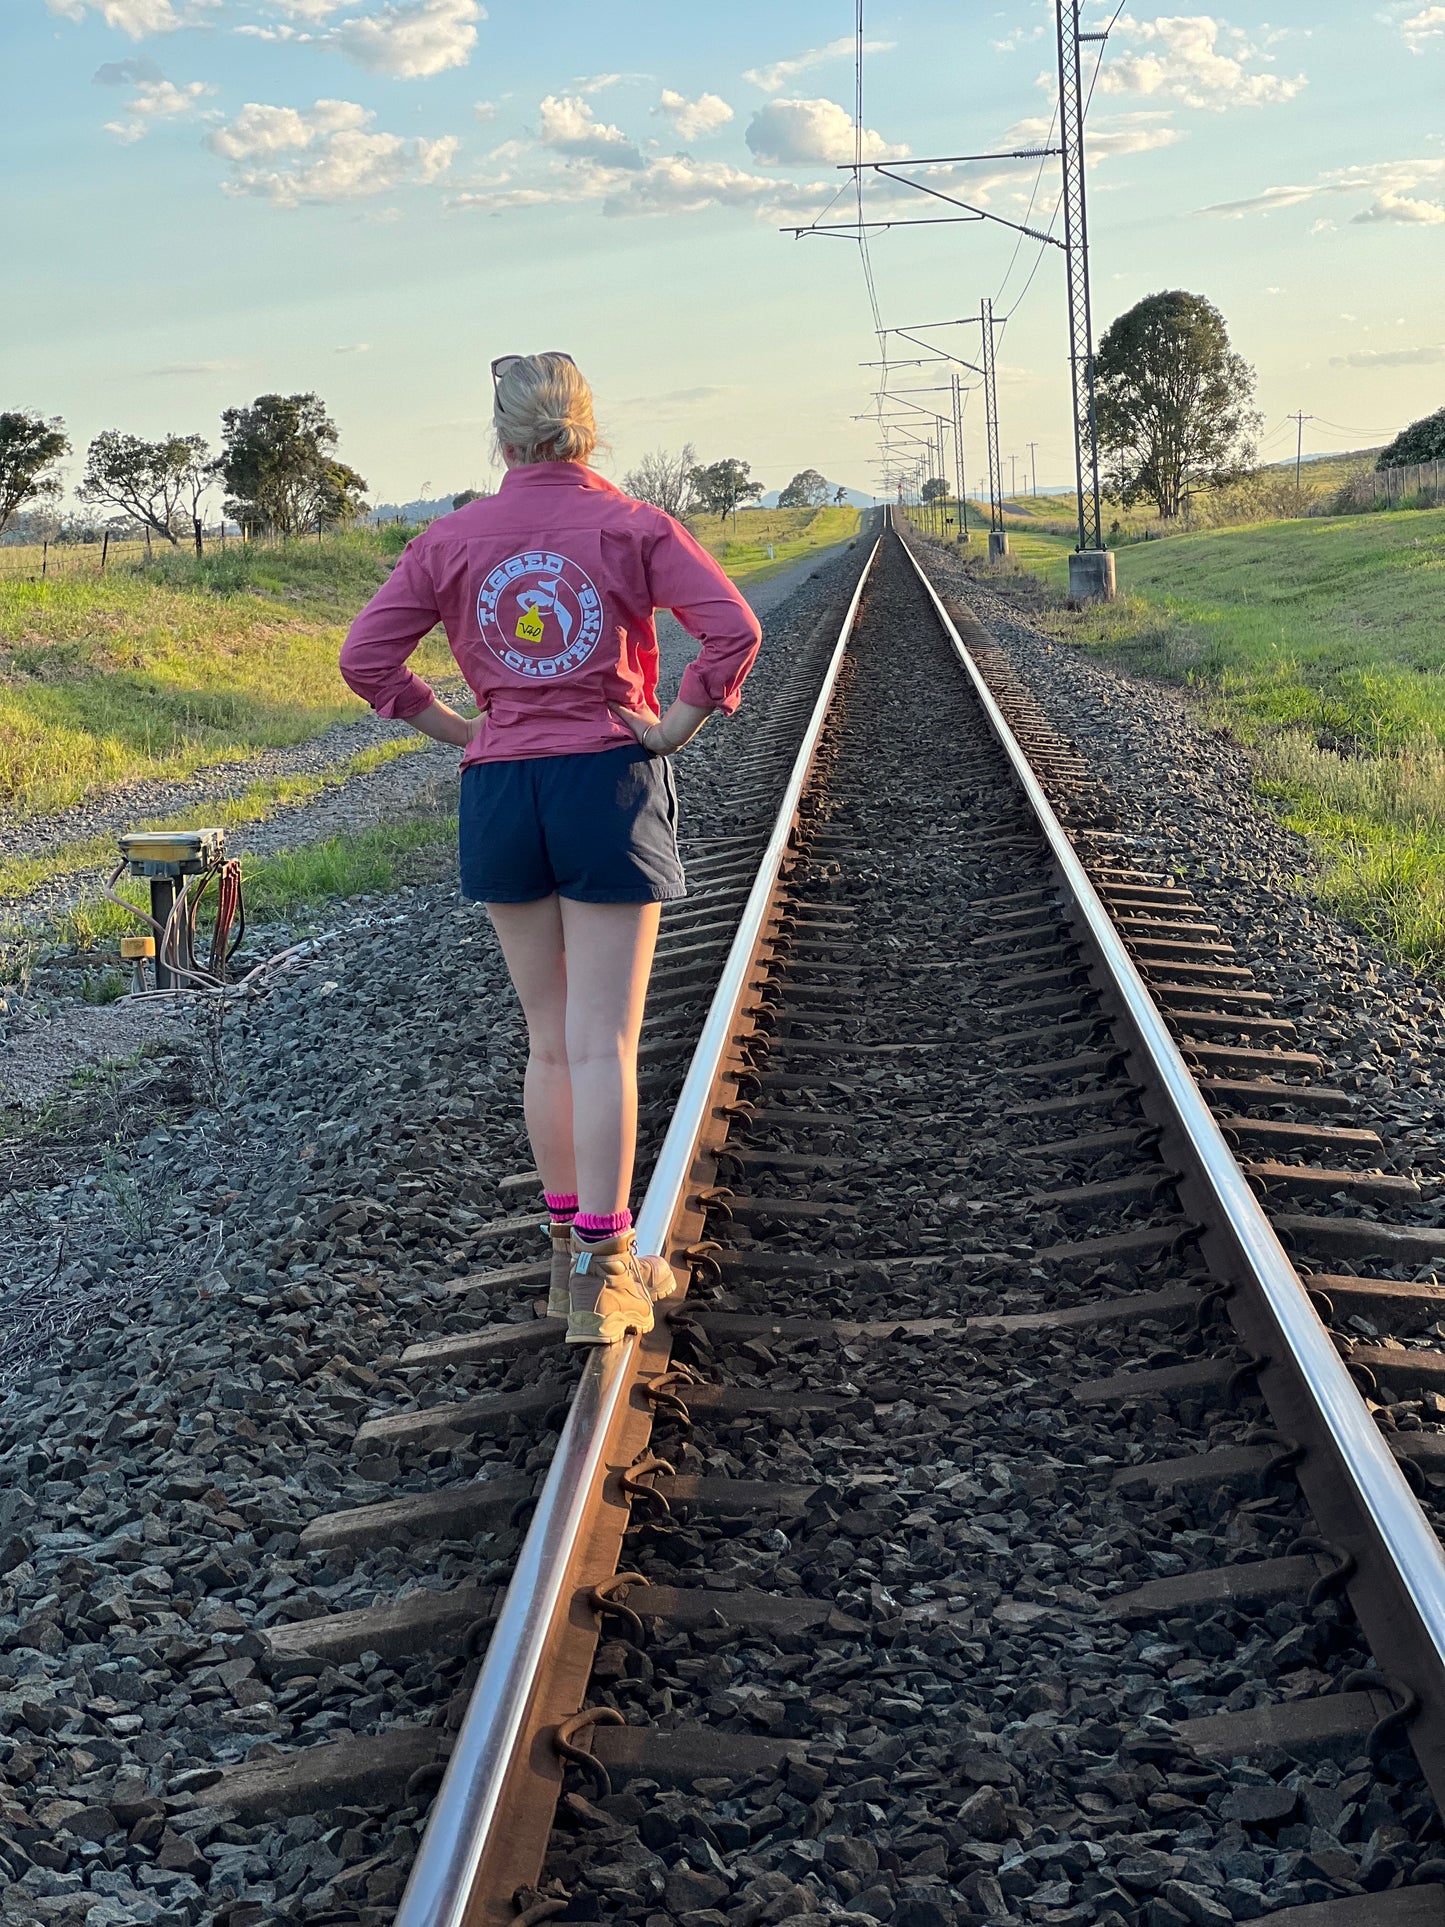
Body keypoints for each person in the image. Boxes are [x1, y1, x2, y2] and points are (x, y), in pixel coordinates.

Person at [339, 352, 762, 1345]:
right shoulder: (631, 525)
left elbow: (366, 658)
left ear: (502, 437)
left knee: (546, 1036)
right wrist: (668, 730)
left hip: (500, 790)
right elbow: (731, 631)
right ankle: (609, 1274)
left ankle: (567, 1263)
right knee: (600, 1039)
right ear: (586, 429)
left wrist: (463, 731)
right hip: (602, 781)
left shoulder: (452, 537)